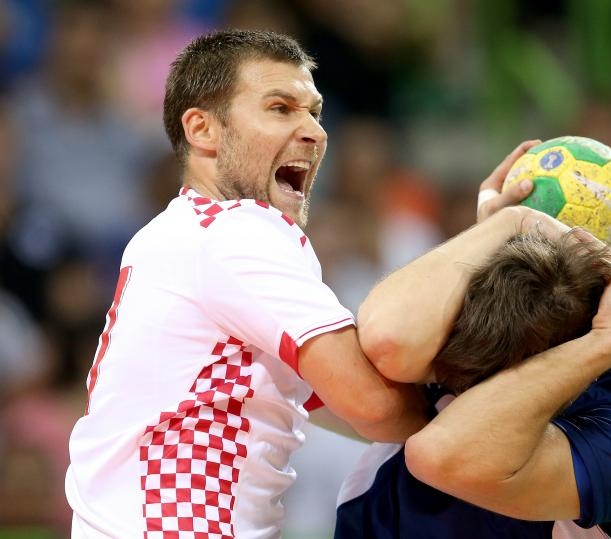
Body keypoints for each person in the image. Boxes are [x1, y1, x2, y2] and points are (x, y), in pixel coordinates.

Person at [64, 29, 551, 538]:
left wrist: (483, 248)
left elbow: (351, 405)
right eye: (280, 108)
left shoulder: (175, 234)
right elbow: (377, 407)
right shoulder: (236, 230)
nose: (315, 132)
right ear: (203, 129)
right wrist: (498, 236)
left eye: (314, 112)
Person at [335, 230, 611, 538]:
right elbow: (386, 340)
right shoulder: (461, 351)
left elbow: (438, 455)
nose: (455, 385)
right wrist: (506, 221)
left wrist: (602, 345)